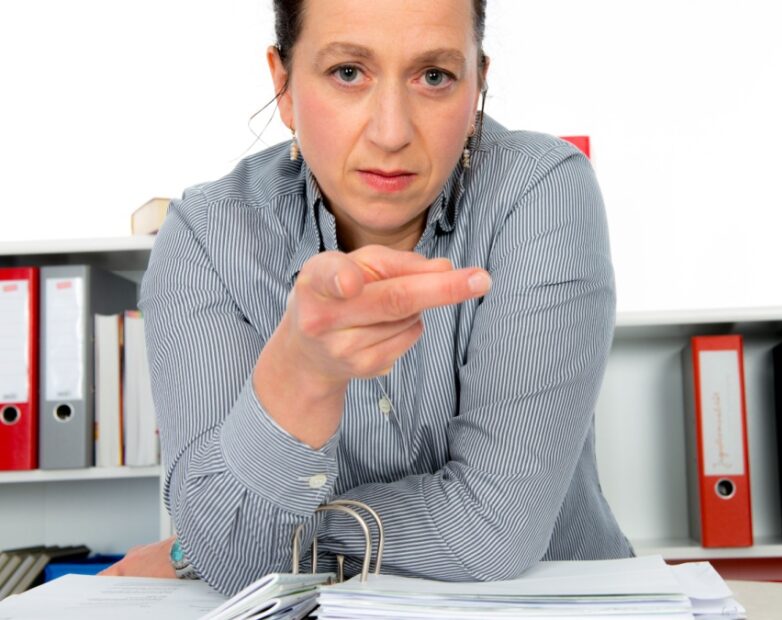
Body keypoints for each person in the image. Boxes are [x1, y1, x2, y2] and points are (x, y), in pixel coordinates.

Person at [103, 0, 633, 596]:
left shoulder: (542, 187)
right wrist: (300, 373)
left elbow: (493, 535)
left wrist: (214, 544)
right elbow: (233, 556)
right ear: (283, 86)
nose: (391, 133)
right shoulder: (206, 237)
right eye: (348, 72)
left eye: (434, 76)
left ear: (478, 83)